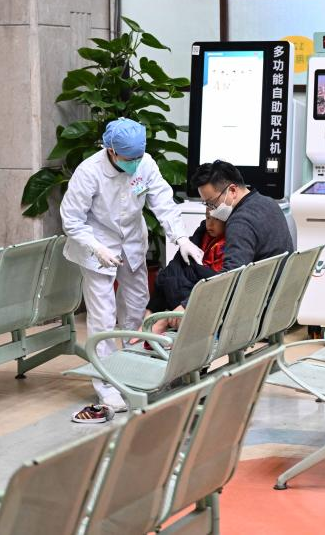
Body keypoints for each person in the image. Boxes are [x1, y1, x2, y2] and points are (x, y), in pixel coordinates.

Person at [60, 118, 205, 423]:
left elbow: (163, 202)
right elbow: (71, 220)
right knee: (103, 316)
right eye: (129, 158)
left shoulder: (144, 163)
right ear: (111, 151)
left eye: (138, 156)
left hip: (132, 243)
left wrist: (181, 238)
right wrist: (96, 247)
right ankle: (107, 384)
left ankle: (135, 369)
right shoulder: (89, 172)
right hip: (97, 245)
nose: (135, 162)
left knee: (138, 308)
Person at [134, 209, 229, 339]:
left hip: (206, 295)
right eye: (207, 218)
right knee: (168, 273)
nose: (210, 224)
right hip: (192, 287)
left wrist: (193, 267)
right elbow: (182, 260)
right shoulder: (203, 233)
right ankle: (150, 320)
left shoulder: (226, 244)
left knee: (173, 276)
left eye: (216, 219)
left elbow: (214, 277)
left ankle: (159, 322)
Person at [191, 160, 294, 273]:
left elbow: (231, 276)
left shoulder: (240, 222)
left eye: (212, 202)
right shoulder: (269, 202)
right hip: (280, 280)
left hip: (259, 282)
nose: (211, 210)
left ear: (232, 190)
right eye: (206, 204)